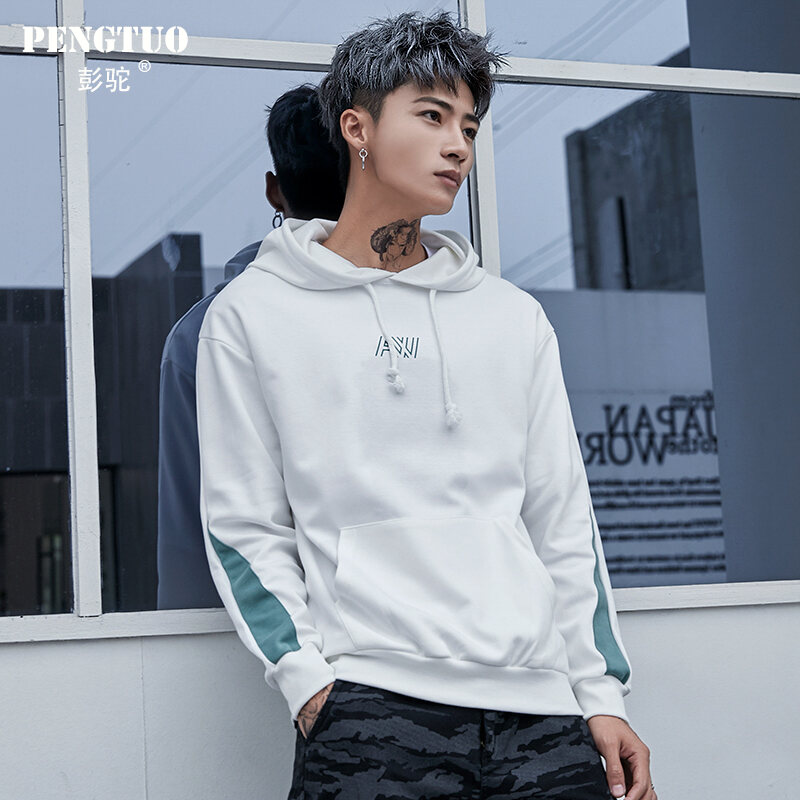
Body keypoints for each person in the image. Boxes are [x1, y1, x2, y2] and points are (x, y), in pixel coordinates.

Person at [195, 10, 657, 800]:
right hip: (372, 715)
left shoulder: (511, 317)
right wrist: (307, 682)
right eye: (433, 116)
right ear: (358, 128)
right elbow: (244, 523)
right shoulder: (253, 314)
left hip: (543, 715)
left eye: (469, 127)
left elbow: (562, 521)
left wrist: (600, 694)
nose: (459, 146)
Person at [156, 84, 345, 610]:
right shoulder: (423, 317)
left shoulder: (198, 337)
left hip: (256, 633)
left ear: (273, 191)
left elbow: (186, 533)